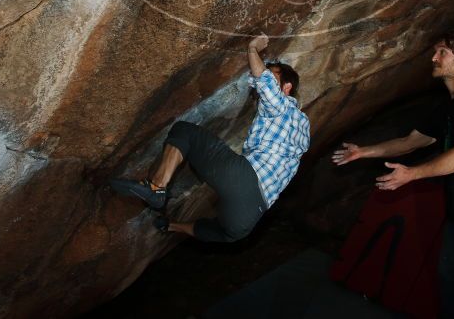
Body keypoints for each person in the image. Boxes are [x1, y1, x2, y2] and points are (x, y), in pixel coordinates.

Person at [332, 30, 454, 318]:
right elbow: (410, 141)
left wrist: (411, 174)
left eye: (442, 52)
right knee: (453, 295)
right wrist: (363, 152)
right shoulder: (447, 106)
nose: (433, 58)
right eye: (434, 52)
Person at [110, 34, 310, 242]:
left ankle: (157, 188)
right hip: (252, 214)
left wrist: (252, 48)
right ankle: (171, 226)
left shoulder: (283, 107)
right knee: (227, 234)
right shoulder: (302, 128)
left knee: (184, 131)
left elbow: (266, 84)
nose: (267, 73)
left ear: (286, 88)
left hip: (244, 180)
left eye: (273, 73)